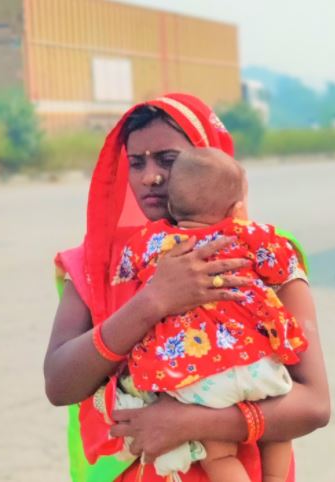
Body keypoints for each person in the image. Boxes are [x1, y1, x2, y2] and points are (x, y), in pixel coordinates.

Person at [44, 93, 330, 482]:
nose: (150, 176)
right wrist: (153, 301)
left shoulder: (261, 255)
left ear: (211, 160)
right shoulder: (99, 264)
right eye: (136, 162)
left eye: (168, 159)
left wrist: (188, 422)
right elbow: (59, 385)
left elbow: (314, 404)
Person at [107, 147, 308, 481]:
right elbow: (282, 265)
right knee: (278, 433)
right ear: (236, 209)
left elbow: (125, 269)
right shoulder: (250, 234)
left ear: (172, 207)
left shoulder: (152, 241)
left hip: (198, 377)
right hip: (257, 362)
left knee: (220, 454)